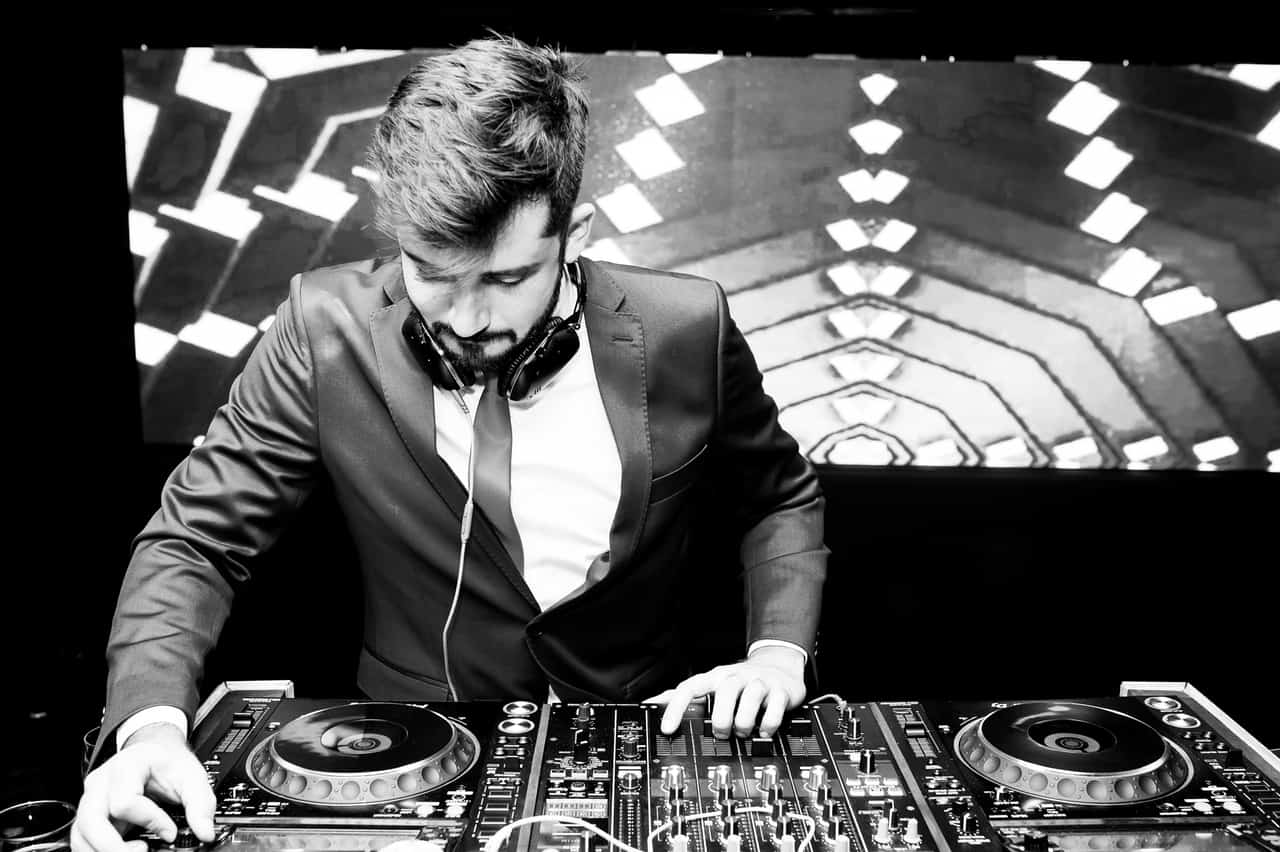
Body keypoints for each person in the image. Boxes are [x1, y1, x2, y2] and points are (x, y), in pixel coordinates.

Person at [71, 34, 827, 852]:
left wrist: (776, 655)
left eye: (505, 279)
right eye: (432, 271)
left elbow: (779, 499)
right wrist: (149, 728)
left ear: (575, 233)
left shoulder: (687, 325)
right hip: (401, 764)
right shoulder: (322, 329)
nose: (466, 321)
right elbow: (195, 538)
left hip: (635, 751)